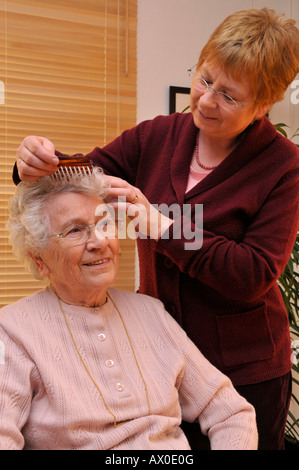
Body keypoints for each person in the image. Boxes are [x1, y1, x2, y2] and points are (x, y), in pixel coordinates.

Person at [13, 8, 299, 449]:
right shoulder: (157, 136)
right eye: (204, 79)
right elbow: (80, 175)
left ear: (263, 106)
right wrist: (34, 162)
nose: (204, 100)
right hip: (162, 357)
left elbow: (253, 274)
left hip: (245, 367)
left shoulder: (283, 168)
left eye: (229, 96)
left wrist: (166, 228)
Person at [0, 171, 258, 450]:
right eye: (75, 230)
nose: (99, 242)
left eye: (105, 224)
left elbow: (230, 412)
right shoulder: (12, 330)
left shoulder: (150, 312)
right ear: (39, 260)